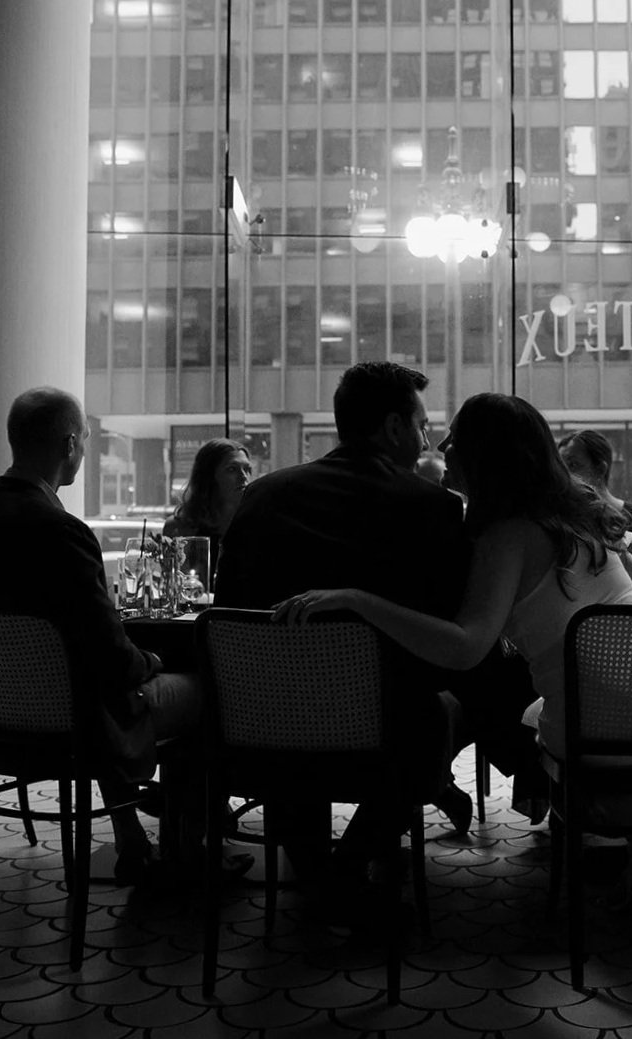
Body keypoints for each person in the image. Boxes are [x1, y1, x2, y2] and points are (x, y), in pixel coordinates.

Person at [273, 394, 632, 906]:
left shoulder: (507, 534)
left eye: (455, 438)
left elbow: (465, 649)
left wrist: (358, 599)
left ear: (486, 454)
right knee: (592, 708)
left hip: (604, 725)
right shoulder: (582, 510)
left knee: (553, 718)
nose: (441, 446)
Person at [0, 388, 212, 884]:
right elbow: (114, 659)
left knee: (91, 686)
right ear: (69, 445)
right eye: (85, 438)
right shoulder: (62, 533)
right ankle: (190, 850)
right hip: (77, 723)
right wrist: (153, 661)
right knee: (206, 690)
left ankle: (134, 841)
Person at [214, 362, 474, 898]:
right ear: (394, 427)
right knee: (443, 713)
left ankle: (316, 875)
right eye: (421, 426)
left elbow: (229, 613)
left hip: (265, 728)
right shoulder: (433, 509)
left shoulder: (262, 497)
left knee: (295, 731)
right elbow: (444, 639)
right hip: (387, 737)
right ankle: (350, 863)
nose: (427, 440)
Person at [557, 429, 632, 562]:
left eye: (573, 465)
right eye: (561, 468)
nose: (564, 475)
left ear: (600, 469)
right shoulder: (562, 525)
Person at [163, 437, 251, 566]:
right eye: (232, 469)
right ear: (208, 477)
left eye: (247, 469)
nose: (244, 476)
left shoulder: (258, 525)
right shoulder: (179, 527)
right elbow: (171, 574)